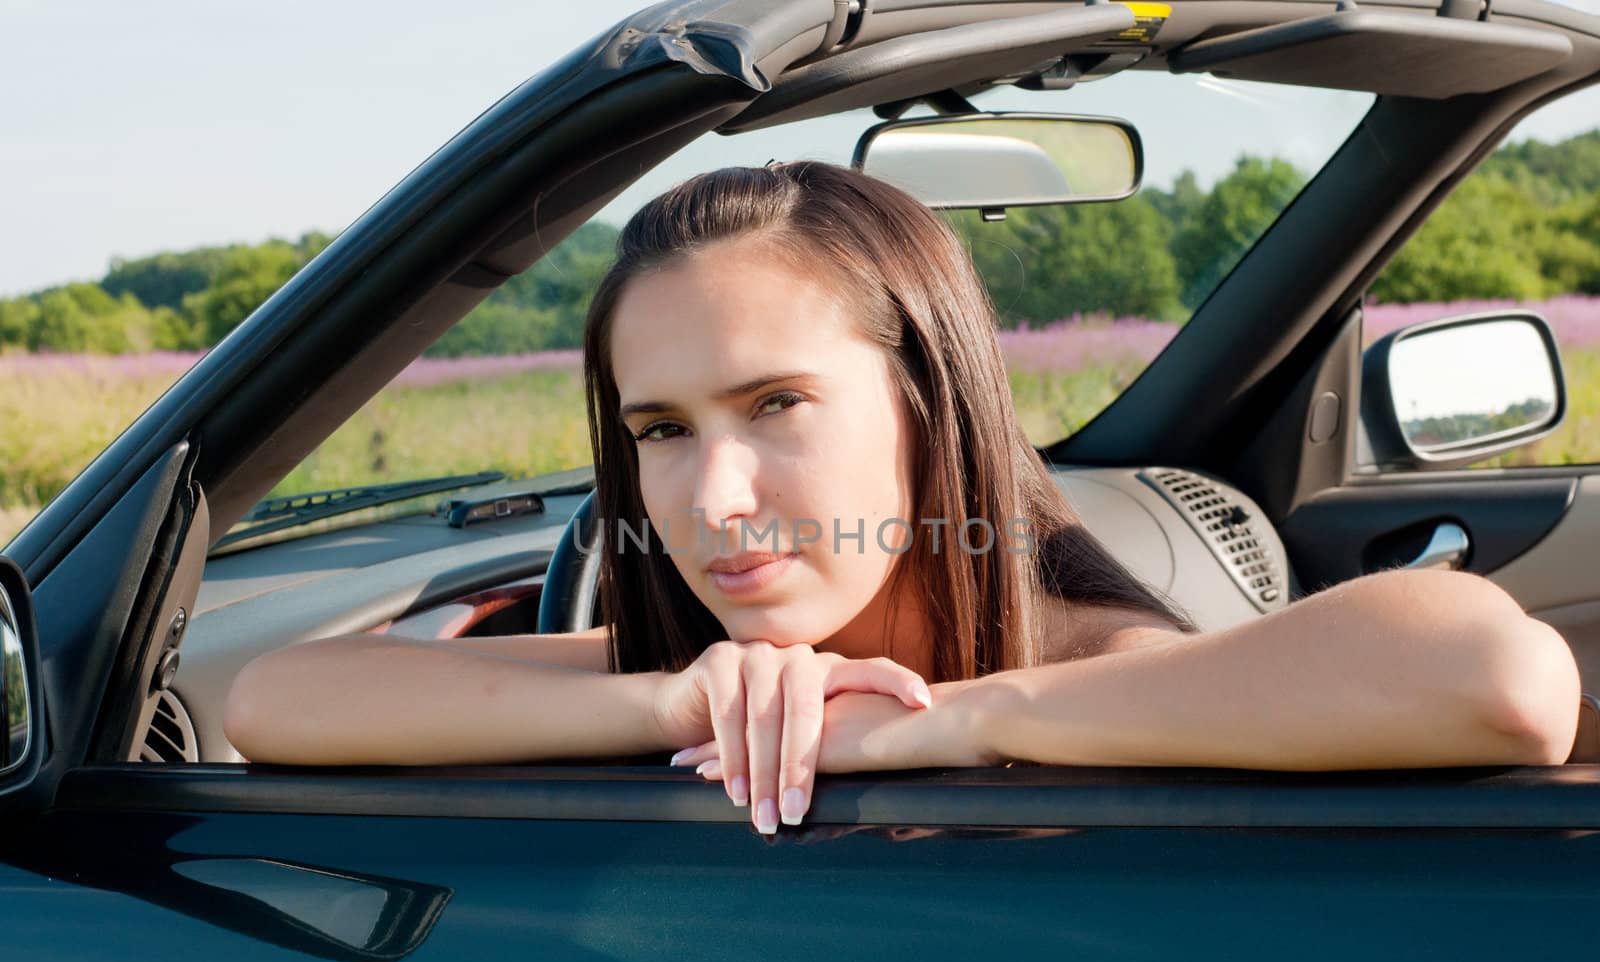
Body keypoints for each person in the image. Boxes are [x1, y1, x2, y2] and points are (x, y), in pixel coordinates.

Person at [224, 160, 1587, 835]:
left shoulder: (1101, 666)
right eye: (661, 428)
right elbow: (271, 701)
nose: (717, 493)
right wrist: (671, 700)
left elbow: (1504, 680)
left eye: (777, 406)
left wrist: (955, 723)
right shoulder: (733, 681)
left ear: (931, 409)